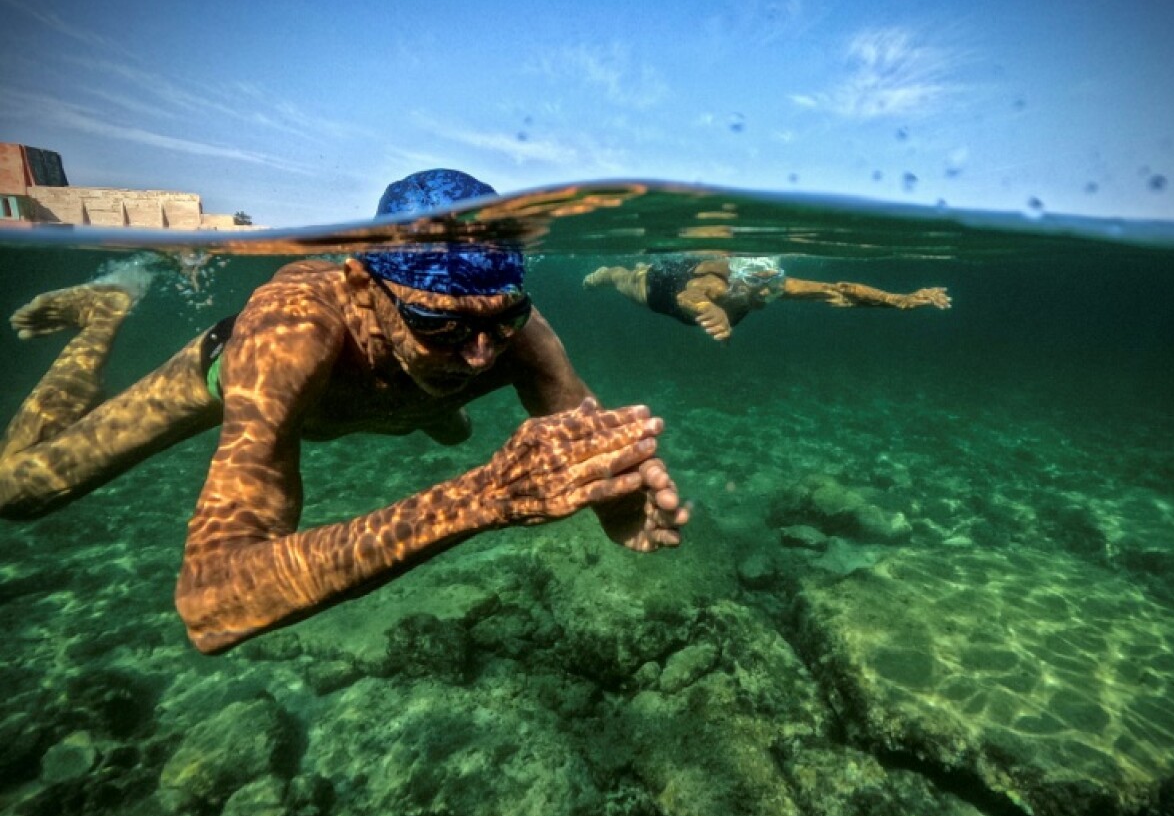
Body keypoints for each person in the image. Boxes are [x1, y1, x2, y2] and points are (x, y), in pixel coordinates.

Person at [0, 169, 689, 654]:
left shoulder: (518, 335)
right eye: (441, 324)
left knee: (448, 398)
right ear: (365, 285)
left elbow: (593, 444)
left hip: (406, 395)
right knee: (20, 490)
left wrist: (621, 497)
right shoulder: (289, 335)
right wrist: (484, 495)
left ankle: (430, 404)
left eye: (502, 320)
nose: (483, 354)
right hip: (240, 371)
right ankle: (104, 312)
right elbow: (210, 601)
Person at [583, 255, 951, 341]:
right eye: (756, 287)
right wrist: (713, 311)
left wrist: (900, 299)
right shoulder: (717, 284)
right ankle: (610, 272)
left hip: (689, 276)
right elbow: (687, 296)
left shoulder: (776, 285)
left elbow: (840, 290)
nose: (766, 293)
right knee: (625, 278)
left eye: (770, 285)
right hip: (658, 288)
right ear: (738, 283)